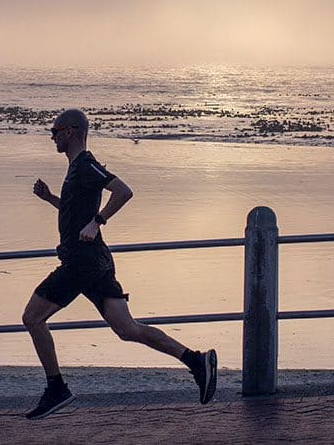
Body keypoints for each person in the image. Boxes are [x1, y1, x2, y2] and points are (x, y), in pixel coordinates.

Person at [22, 108, 217, 419]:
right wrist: (51, 199)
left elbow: (123, 191)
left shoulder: (85, 164)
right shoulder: (76, 168)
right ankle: (196, 361)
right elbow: (76, 213)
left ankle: (57, 388)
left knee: (32, 318)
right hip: (95, 262)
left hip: (81, 263)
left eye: (55, 131)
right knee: (127, 328)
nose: (52, 137)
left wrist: (98, 221)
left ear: (70, 131)